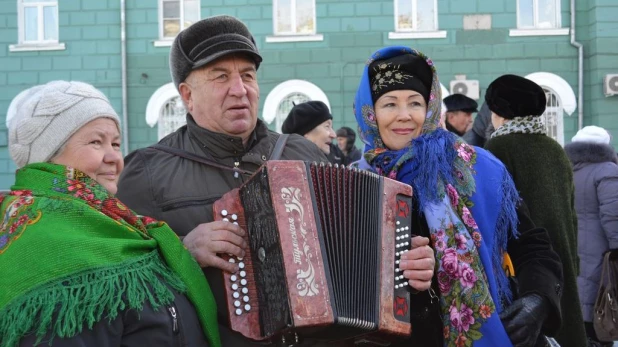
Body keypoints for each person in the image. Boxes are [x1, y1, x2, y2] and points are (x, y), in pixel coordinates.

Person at [117, 16, 435, 346]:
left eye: (248, 76)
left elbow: (359, 253)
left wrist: (405, 269)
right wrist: (182, 250)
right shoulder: (148, 172)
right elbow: (117, 284)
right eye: (221, 77)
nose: (239, 90)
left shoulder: (299, 151)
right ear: (187, 94)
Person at [353, 46, 564, 346]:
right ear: (370, 113)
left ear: (430, 108)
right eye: (389, 104)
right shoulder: (356, 183)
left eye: (415, 102)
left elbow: (533, 247)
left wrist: (538, 299)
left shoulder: (480, 169)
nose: (404, 116)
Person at [0, 81, 220, 347]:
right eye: (96, 142)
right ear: (49, 156)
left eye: (116, 144)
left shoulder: (117, 228)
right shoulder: (48, 244)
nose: (114, 157)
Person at [484, 74, 588, 347]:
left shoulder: (498, 147)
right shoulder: (555, 149)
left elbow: (497, 213)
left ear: (499, 113)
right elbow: (571, 211)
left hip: (526, 265)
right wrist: (572, 261)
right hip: (560, 255)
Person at [565, 126, 618, 347]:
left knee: (579, 305)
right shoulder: (608, 171)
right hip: (601, 254)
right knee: (600, 307)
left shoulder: (566, 170)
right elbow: (613, 214)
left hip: (571, 251)